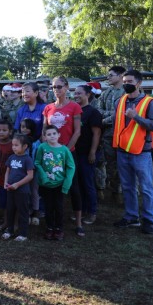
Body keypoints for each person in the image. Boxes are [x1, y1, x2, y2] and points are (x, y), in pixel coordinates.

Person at [112, 70, 153, 234]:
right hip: (122, 151)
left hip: (142, 152)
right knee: (127, 186)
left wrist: (136, 117)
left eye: (130, 81)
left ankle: (149, 220)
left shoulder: (149, 102)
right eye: (124, 80)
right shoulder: (120, 101)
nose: (126, 83)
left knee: (146, 188)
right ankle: (131, 217)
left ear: (139, 83)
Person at [43, 76, 83, 233]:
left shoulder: (74, 107)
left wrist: (65, 150)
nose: (56, 90)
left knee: (73, 188)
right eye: (53, 87)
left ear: (67, 87)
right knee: (51, 187)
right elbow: (44, 131)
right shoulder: (48, 108)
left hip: (68, 154)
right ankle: (52, 223)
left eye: (59, 86)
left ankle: (79, 223)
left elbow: (77, 131)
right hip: (51, 155)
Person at [35, 125, 75, 241]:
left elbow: (71, 167)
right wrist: (43, 177)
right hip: (45, 185)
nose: (51, 136)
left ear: (59, 135)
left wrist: (67, 184)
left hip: (59, 185)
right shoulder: (42, 148)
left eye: (54, 133)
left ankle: (59, 228)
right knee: (48, 207)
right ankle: (49, 228)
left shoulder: (65, 150)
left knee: (58, 207)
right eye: (48, 134)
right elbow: (37, 163)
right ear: (45, 137)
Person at [73, 85, 103, 227]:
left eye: (79, 93)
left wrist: (92, 152)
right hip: (75, 152)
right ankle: (81, 210)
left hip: (87, 153)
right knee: (78, 183)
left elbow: (96, 134)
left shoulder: (93, 112)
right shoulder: (75, 110)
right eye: (75, 93)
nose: (76, 95)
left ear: (88, 95)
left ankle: (92, 212)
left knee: (88, 183)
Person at [97, 66, 126, 202]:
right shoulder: (106, 92)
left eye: (111, 75)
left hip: (124, 134)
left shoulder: (127, 92)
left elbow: (124, 113)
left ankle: (120, 191)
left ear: (121, 76)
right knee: (110, 164)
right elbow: (98, 110)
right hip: (108, 134)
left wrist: (106, 119)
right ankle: (113, 190)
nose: (108, 77)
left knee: (124, 164)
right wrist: (112, 116)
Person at [2, 134, 35, 242]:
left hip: (22, 191)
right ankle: (10, 230)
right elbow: (7, 171)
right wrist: (6, 182)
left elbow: (30, 176)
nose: (14, 147)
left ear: (25, 146)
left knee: (23, 212)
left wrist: (17, 184)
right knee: (10, 210)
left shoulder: (28, 159)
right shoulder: (11, 157)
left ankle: (23, 234)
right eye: (13, 145)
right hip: (10, 190)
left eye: (16, 145)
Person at [0, 119, 14, 231]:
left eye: (4, 130)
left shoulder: (13, 144)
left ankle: (12, 224)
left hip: (12, 180)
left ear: (10, 132)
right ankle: (6, 222)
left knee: (13, 203)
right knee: (4, 203)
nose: (1, 132)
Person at [19, 118, 41, 225]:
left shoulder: (37, 142)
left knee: (34, 191)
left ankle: (36, 212)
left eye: (26, 127)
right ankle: (26, 212)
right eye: (22, 126)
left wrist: (34, 167)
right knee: (24, 192)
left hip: (34, 170)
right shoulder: (19, 140)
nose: (24, 129)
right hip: (22, 171)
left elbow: (38, 156)